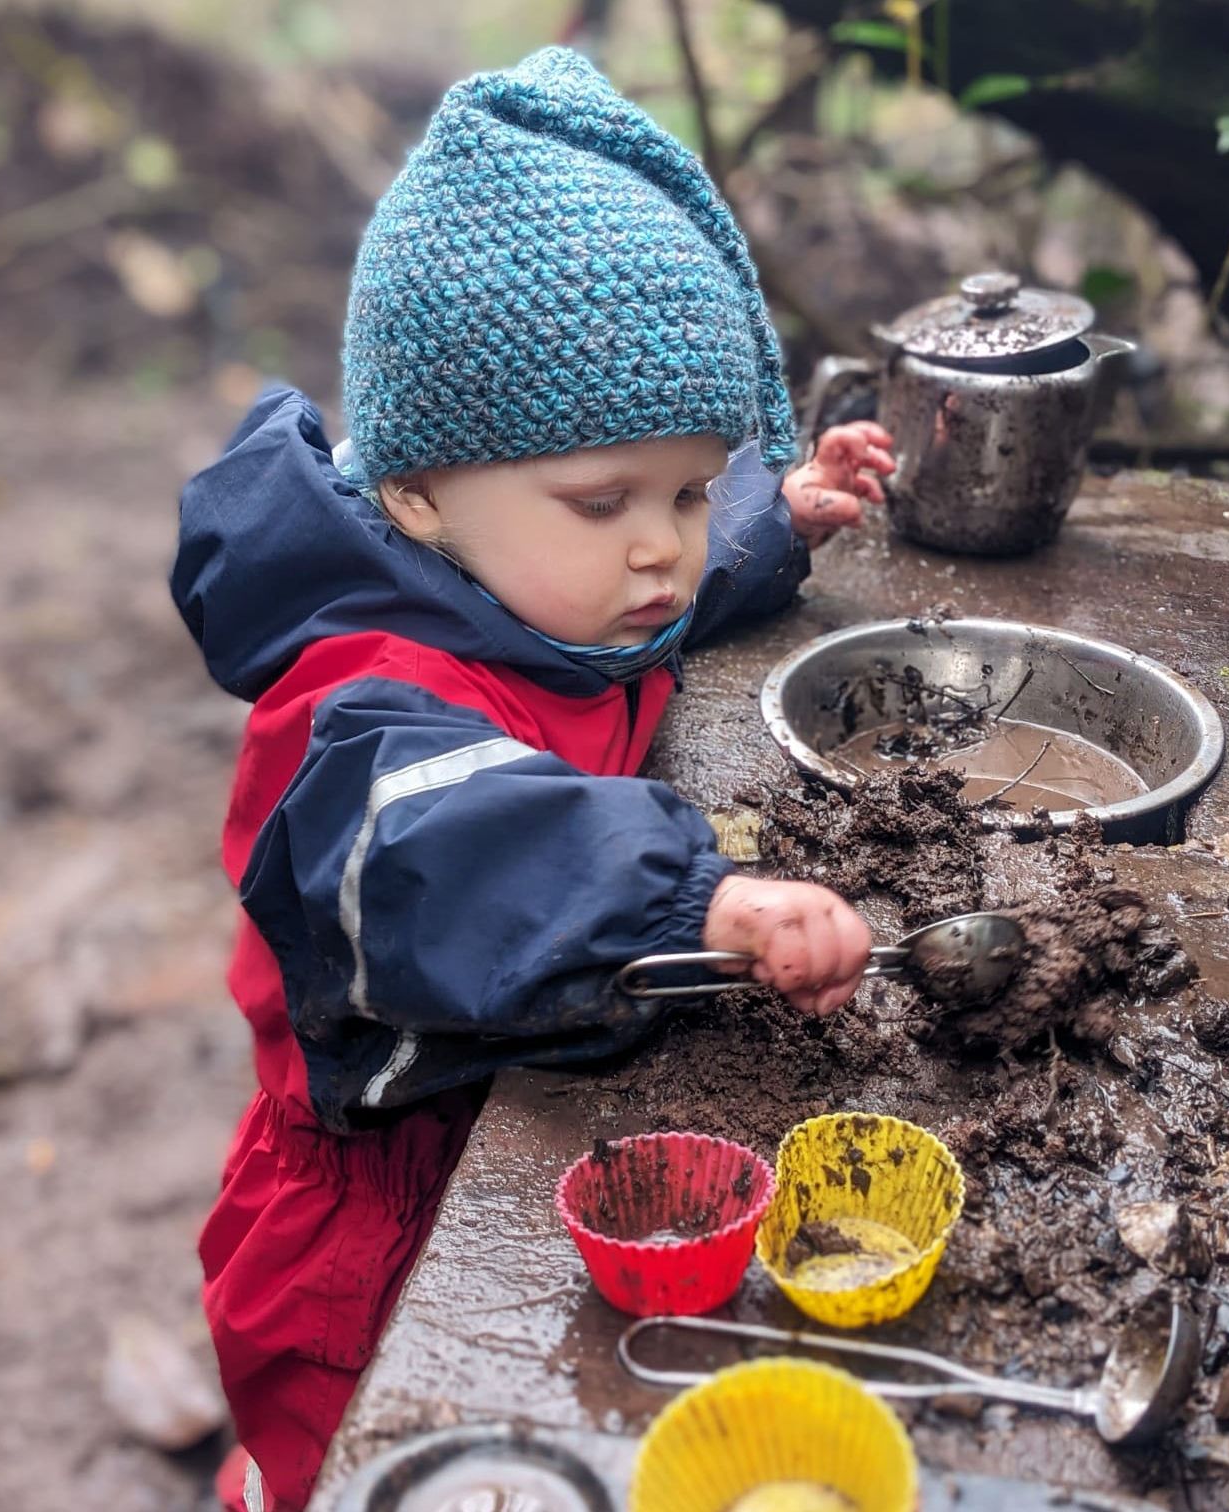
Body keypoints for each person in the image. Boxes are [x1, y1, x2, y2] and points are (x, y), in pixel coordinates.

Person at [171, 46, 894, 1512]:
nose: (661, 549)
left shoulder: (539, 583)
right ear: (418, 490)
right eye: (608, 501)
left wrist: (774, 524)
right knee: (382, 1467)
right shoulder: (359, 715)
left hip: (495, 1112)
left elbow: (652, 608)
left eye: (690, 488)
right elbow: (461, 853)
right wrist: (706, 897)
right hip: (362, 1220)